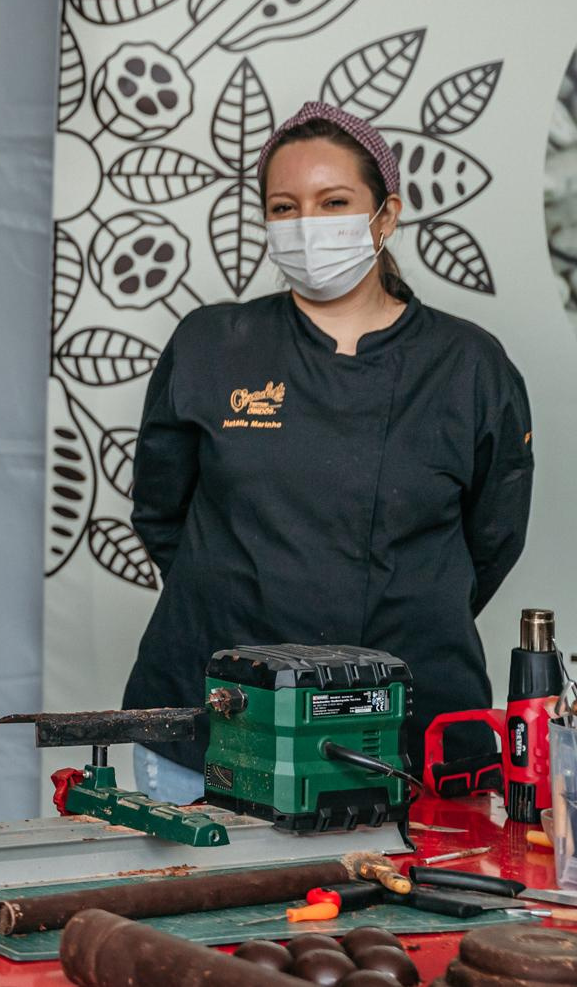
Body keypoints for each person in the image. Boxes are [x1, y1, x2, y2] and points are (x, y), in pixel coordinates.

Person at [122, 101, 534, 802]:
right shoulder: (210, 345)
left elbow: (490, 540)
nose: (307, 223)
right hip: (215, 727)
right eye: (284, 206)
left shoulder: (468, 365)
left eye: (333, 201)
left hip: (407, 730)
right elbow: (161, 514)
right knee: (191, 910)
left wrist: (403, 602)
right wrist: (243, 593)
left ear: (386, 214)